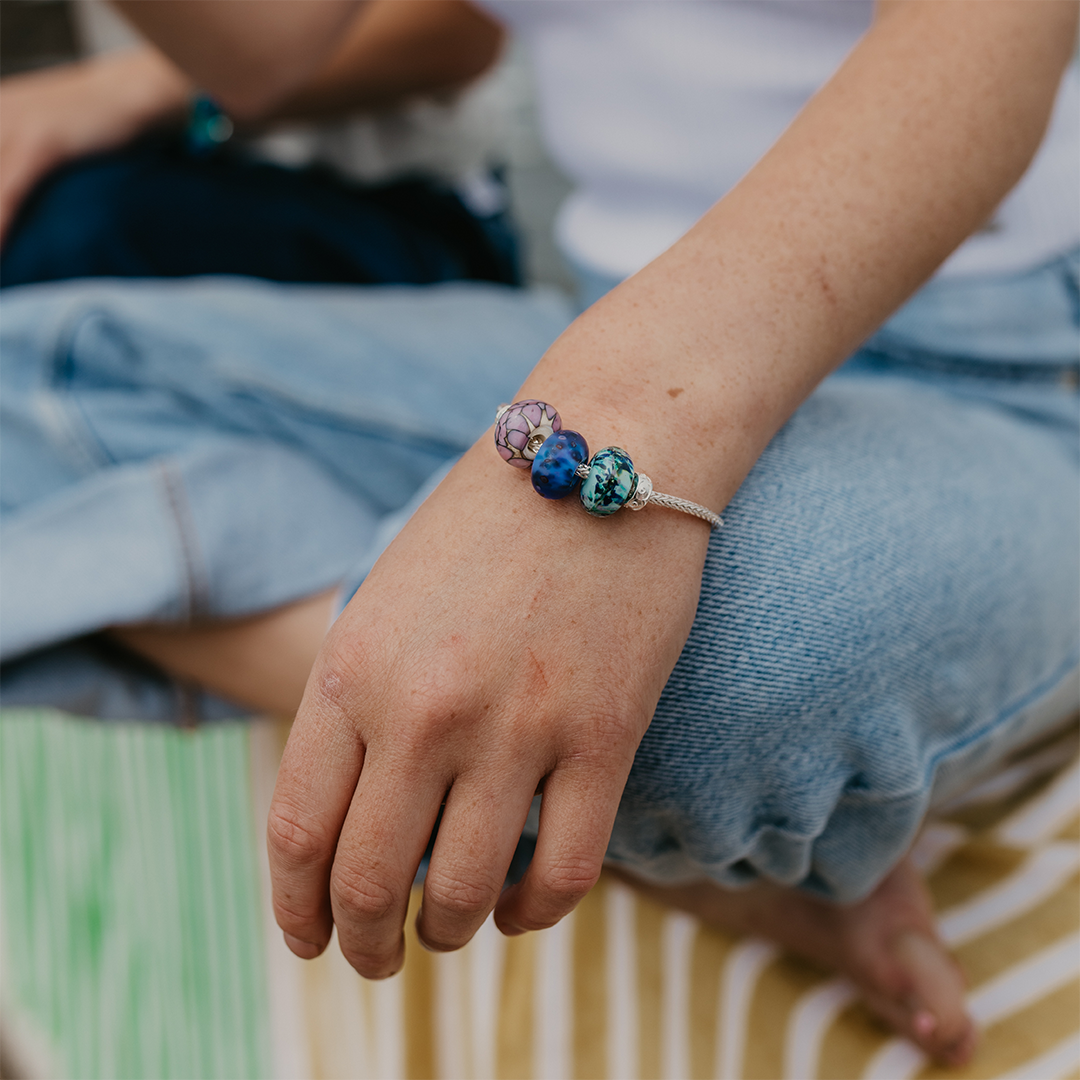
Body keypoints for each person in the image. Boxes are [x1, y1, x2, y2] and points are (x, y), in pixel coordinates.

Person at [4, 0, 1080, 1066]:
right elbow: (272, 48)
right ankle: (641, 842)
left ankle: (266, 593)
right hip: (614, 312)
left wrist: (612, 426)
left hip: (989, 355)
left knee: (679, 690)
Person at [0, 0, 518, 288]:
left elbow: (462, 28)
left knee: (68, 241)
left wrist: (143, 90)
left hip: (396, 210)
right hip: (150, 186)